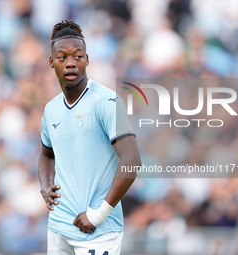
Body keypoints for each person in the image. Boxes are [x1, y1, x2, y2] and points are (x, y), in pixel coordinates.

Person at [38, 20, 141, 255]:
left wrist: (98, 214)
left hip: (98, 230)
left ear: (87, 59)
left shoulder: (107, 101)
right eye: (62, 57)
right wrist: (45, 187)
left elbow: (132, 161)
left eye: (78, 56)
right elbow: (45, 155)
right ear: (52, 62)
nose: (71, 63)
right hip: (59, 228)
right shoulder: (51, 110)